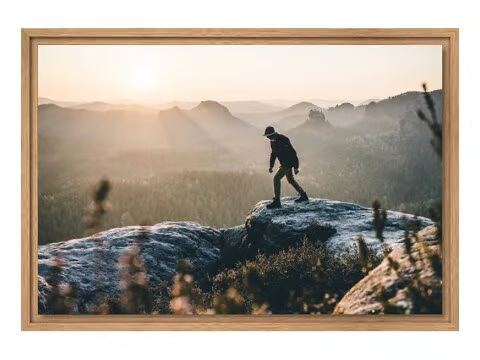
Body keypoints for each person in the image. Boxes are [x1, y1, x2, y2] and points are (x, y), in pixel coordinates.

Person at [263, 126, 309, 209]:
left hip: (288, 163)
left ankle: (277, 201)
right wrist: (271, 166)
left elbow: (293, 152)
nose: (267, 138)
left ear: (272, 135)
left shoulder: (283, 139)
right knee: (290, 180)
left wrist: (296, 167)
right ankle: (303, 195)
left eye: (268, 136)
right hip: (284, 163)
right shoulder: (272, 142)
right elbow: (273, 154)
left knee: (276, 178)